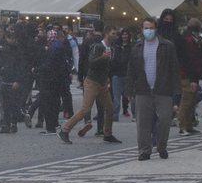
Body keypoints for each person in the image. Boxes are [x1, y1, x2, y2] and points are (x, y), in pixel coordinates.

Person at [126, 17, 180, 160]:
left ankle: (161, 146)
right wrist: (129, 89)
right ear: (142, 29)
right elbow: (131, 69)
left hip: (163, 89)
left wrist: (176, 93)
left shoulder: (167, 46)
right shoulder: (137, 47)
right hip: (142, 89)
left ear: (156, 29)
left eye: (151, 28)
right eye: (145, 28)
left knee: (164, 119)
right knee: (143, 121)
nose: (148, 31)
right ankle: (144, 150)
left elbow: (174, 69)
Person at [58, 26, 121, 144]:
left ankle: (107, 133)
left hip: (102, 83)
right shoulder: (98, 46)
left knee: (110, 108)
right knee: (85, 109)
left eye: (116, 34)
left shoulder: (111, 48)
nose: (115, 36)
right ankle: (65, 129)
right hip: (92, 82)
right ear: (106, 34)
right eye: (113, 33)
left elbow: (108, 66)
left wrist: (107, 77)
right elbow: (91, 62)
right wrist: (102, 58)